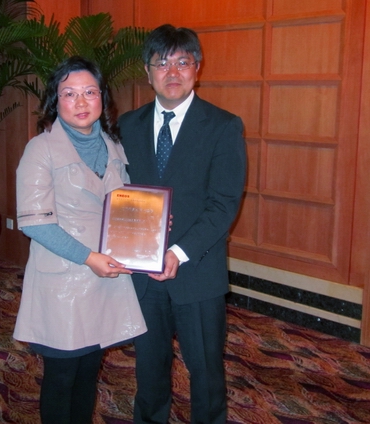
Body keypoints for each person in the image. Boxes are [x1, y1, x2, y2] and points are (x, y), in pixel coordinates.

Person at [119, 24, 247, 424]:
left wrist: (177, 251)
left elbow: (224, 204)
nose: (172, 72)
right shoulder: (127, 125)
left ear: (197, 68)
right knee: (148, 369)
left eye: (182, 62)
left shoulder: (223, 126)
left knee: (205, 372)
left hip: (197, 272)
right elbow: (117, 192)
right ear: (147, 71)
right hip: (142, 273)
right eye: (161, 63)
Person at [13, 56, 147, 424]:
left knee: (89, 369)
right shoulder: (40, 149)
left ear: (103, 97)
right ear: (55, 101)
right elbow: (36, 224)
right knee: (62, 375)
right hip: (64, 278)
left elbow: (124, 206)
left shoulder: (113, 146)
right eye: (69, 94)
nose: (81, 101)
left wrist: (151, 226)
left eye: (90, 92)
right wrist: (89, 258)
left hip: (104, 277)